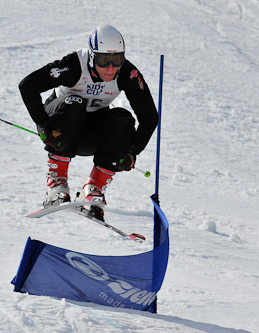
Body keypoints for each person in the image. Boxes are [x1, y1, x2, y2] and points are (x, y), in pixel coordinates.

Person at [18, 24, 158, 221]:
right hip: (59, 129)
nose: (110, 68)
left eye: (116, 60)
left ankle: (93, 190)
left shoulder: (126, 72)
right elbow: (27, 85)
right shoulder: (75, 64)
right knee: (76, 103)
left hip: (88, 134)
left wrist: (133, 151)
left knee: (123, 119)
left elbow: (150, 117)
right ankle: (56, 185)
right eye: (103, 60)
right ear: (92, 56)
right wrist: (43, 125)